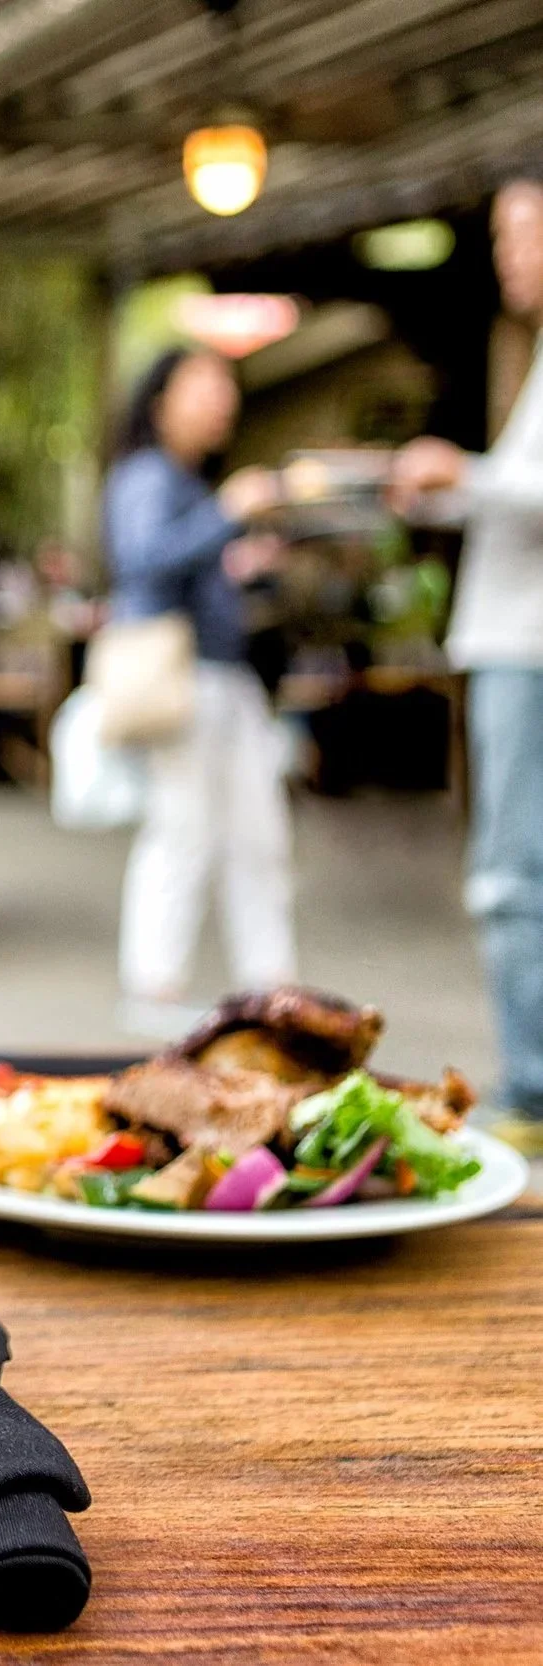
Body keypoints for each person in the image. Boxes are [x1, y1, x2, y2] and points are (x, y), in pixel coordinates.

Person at [390, 179, 543, 1138]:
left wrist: (463, 474)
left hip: (525, 648)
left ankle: (531, 1087)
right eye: (502, 236)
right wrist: (446, 493)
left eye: (524, 232)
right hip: (511, 641)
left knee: (510, 872)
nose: (510, 254)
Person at [103, 346, 295, 1032]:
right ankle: (152, 991)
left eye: (225, 386)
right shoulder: (149, 475)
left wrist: (235, 561)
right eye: (204, 384)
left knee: (255, 836)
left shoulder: (183, 480)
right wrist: (228, 513)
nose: (222, 399)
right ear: (160, 401)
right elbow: (140, 560)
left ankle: (272, 990)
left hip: (223, 680)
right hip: (186, 681)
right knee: (183, 830)